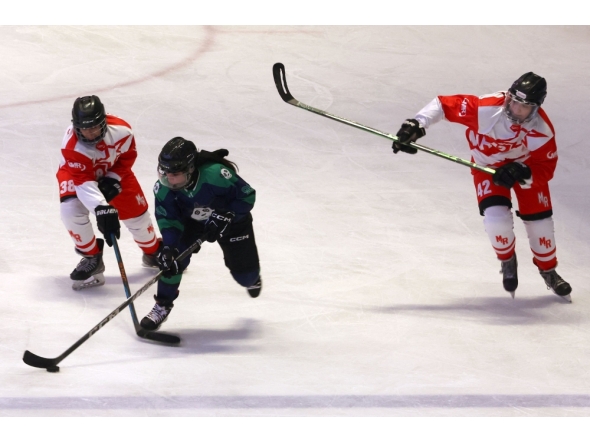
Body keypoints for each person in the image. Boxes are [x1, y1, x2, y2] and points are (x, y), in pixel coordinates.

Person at [392, 72, 572, 302]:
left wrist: (523, 172)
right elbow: (443, 105)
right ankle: (508, 260)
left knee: (541, 225)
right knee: (497, 222)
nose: (516, 109)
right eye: (514, 101)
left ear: (535, 108)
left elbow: (546, 167)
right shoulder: (486, 108)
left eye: (524, 107)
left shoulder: (542, 129)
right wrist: (416, 124)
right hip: (487, 167)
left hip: (523, 167)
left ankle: (548, 271)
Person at [140, 137, 261, 331]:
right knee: (173, 261)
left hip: (231, 223)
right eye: (165, 173)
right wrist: (169, 247)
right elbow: (169, 219)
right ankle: (162, 305)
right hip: (193, 222)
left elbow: (247, 195)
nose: (169, 179)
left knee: (245, 277)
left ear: (190, 169)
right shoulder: (163, 188)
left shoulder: (216, 174)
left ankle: (252, 278)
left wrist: (229, 213)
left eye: (175, 174)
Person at [56, 95, 161, 290]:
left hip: (113, 171)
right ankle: (92, 257)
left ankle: (153, 251)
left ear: (103, 121)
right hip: (76, 175)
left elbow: (127, 158)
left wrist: (113, 179)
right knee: (71, 210)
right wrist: (102, 208)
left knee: (137, 217)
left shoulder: (123, 131)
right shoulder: (72, 147)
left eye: (94, 127)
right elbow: (83, 182)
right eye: (84, 128)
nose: (90, 133)